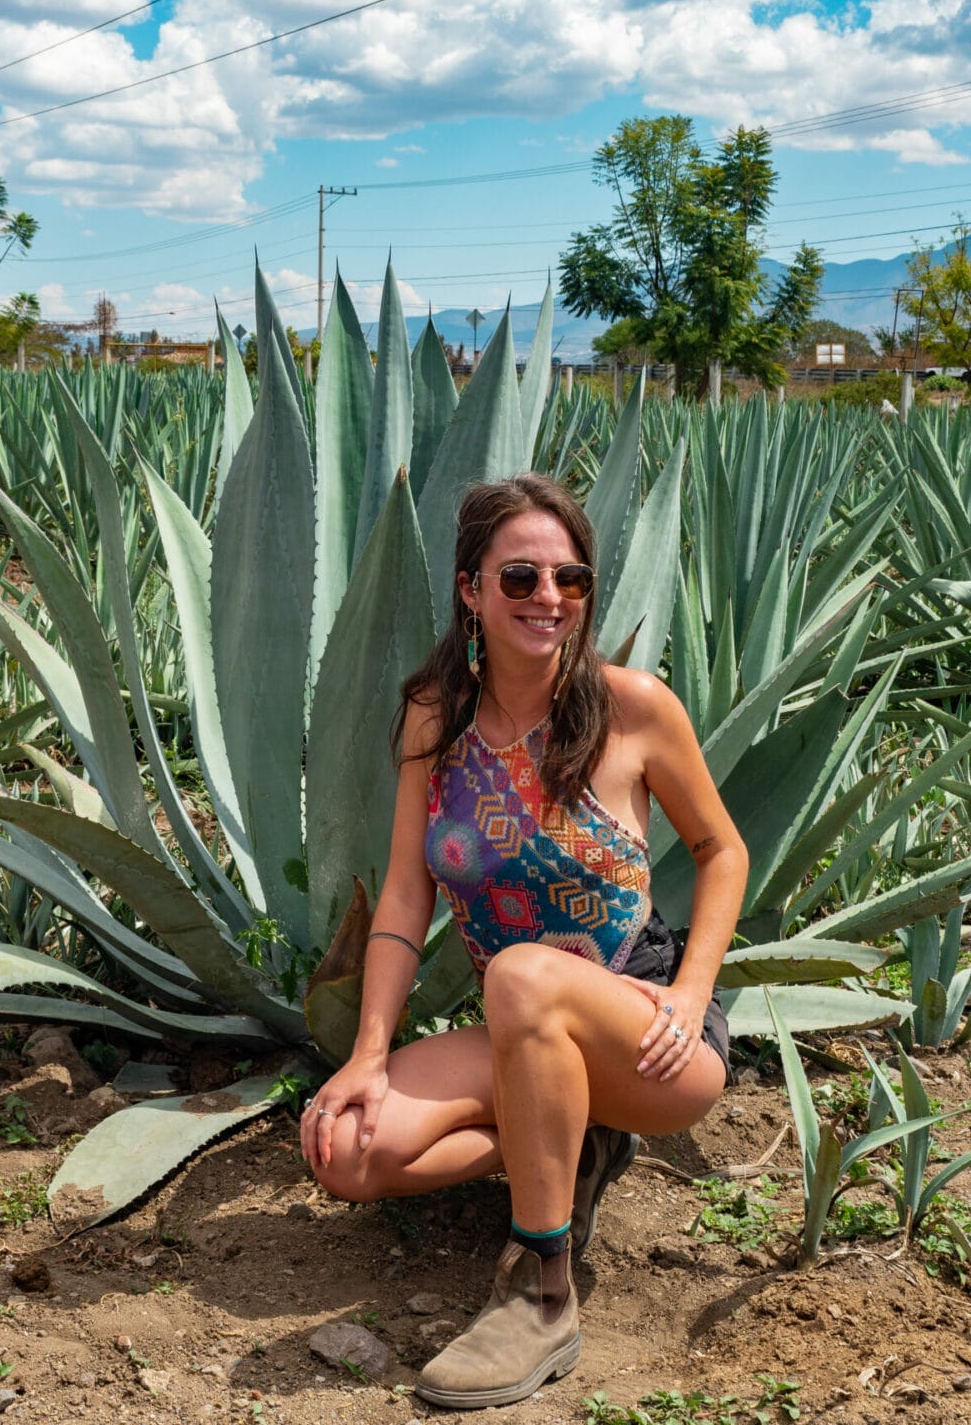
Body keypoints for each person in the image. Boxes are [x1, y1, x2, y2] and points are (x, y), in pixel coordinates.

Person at [299, 472, 747, 1411]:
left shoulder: (632, 708)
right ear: (470, 590)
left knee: (521, 974)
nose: (549, 598)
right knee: (349, 1150)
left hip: (652, 1035)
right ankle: (563, 1136)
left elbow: (721, 850)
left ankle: (542, 1292)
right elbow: (404, 894)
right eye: (520, 578)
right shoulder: (437, 717)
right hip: (525, 1025)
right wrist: (368, 1057)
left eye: (570, 580)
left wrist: (695, 994)